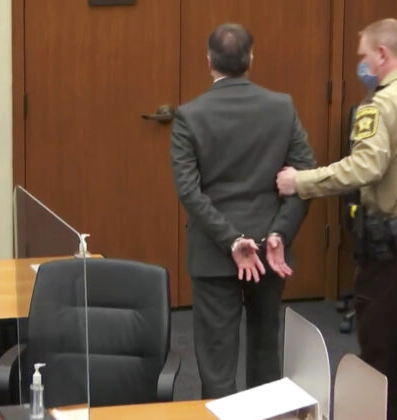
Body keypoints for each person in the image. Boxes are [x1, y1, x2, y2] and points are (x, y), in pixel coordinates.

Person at [276, 18, 397, 420]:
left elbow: (364, 168)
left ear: (383, 54)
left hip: (394, 251)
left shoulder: (380, 105)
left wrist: (301, 181)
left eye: (363, 56)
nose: (360, 65)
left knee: (380, 359)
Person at [171, 23, 316, 398]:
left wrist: (231, 239)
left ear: (208, 62)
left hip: (214, 255)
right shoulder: (282, 107)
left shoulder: (190, 115)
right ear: (252, 58)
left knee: (217, 364)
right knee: (266, 351)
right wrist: (278, 234)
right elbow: (304, 179)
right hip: (271, 254)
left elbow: (189, 190)